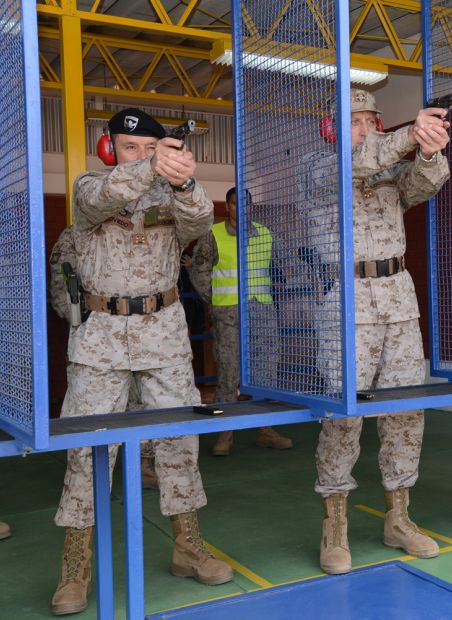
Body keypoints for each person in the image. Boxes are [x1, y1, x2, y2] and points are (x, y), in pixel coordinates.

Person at [51, 108, 232, 616]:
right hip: (100, 339)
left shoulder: (172, 194)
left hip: (163, 334)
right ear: (110, 149)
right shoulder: (90, 186)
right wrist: (151, 168)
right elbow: (101, 198)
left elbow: (199, 224)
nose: (141, 156)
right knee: (88, 451)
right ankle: (75, 567)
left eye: (150, 148)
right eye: (130, 148)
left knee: (178, 442)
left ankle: (188, 546)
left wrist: (186, 182)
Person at [298, 89, 450, 575]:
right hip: (347, 299)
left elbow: (426, 183)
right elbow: (357, 164)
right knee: (344, 414)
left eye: (370, 119)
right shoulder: (316, 168)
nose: (366, 128)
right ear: (331, 129)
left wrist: (427, 149)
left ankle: (399, 517)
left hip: (398, 295)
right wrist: (408, 134)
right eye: (354, 120)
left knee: (406, 409)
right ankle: (334, 523)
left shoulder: (387, 168)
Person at [48, 225, 159, 490]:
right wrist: (79, 322)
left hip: (145, 338)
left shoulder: (142, 229)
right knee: (93, 412)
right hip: (98, 338)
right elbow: (62, 281)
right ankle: (90, 483)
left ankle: (144, 465)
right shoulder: (74, 234)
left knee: (142, 403)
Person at [188, 187, 293, 456]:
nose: (240, 208)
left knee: (266, 370)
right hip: (228, 313)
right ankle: (225, 434)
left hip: (262, 311)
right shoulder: (213, 235)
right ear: (227, 206)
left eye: (245, 204)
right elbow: (199, 270)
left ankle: (266, 430)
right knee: (228, 371)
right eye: (235, 204)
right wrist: (212, 300)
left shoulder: (266, 234)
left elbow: (287, 262)